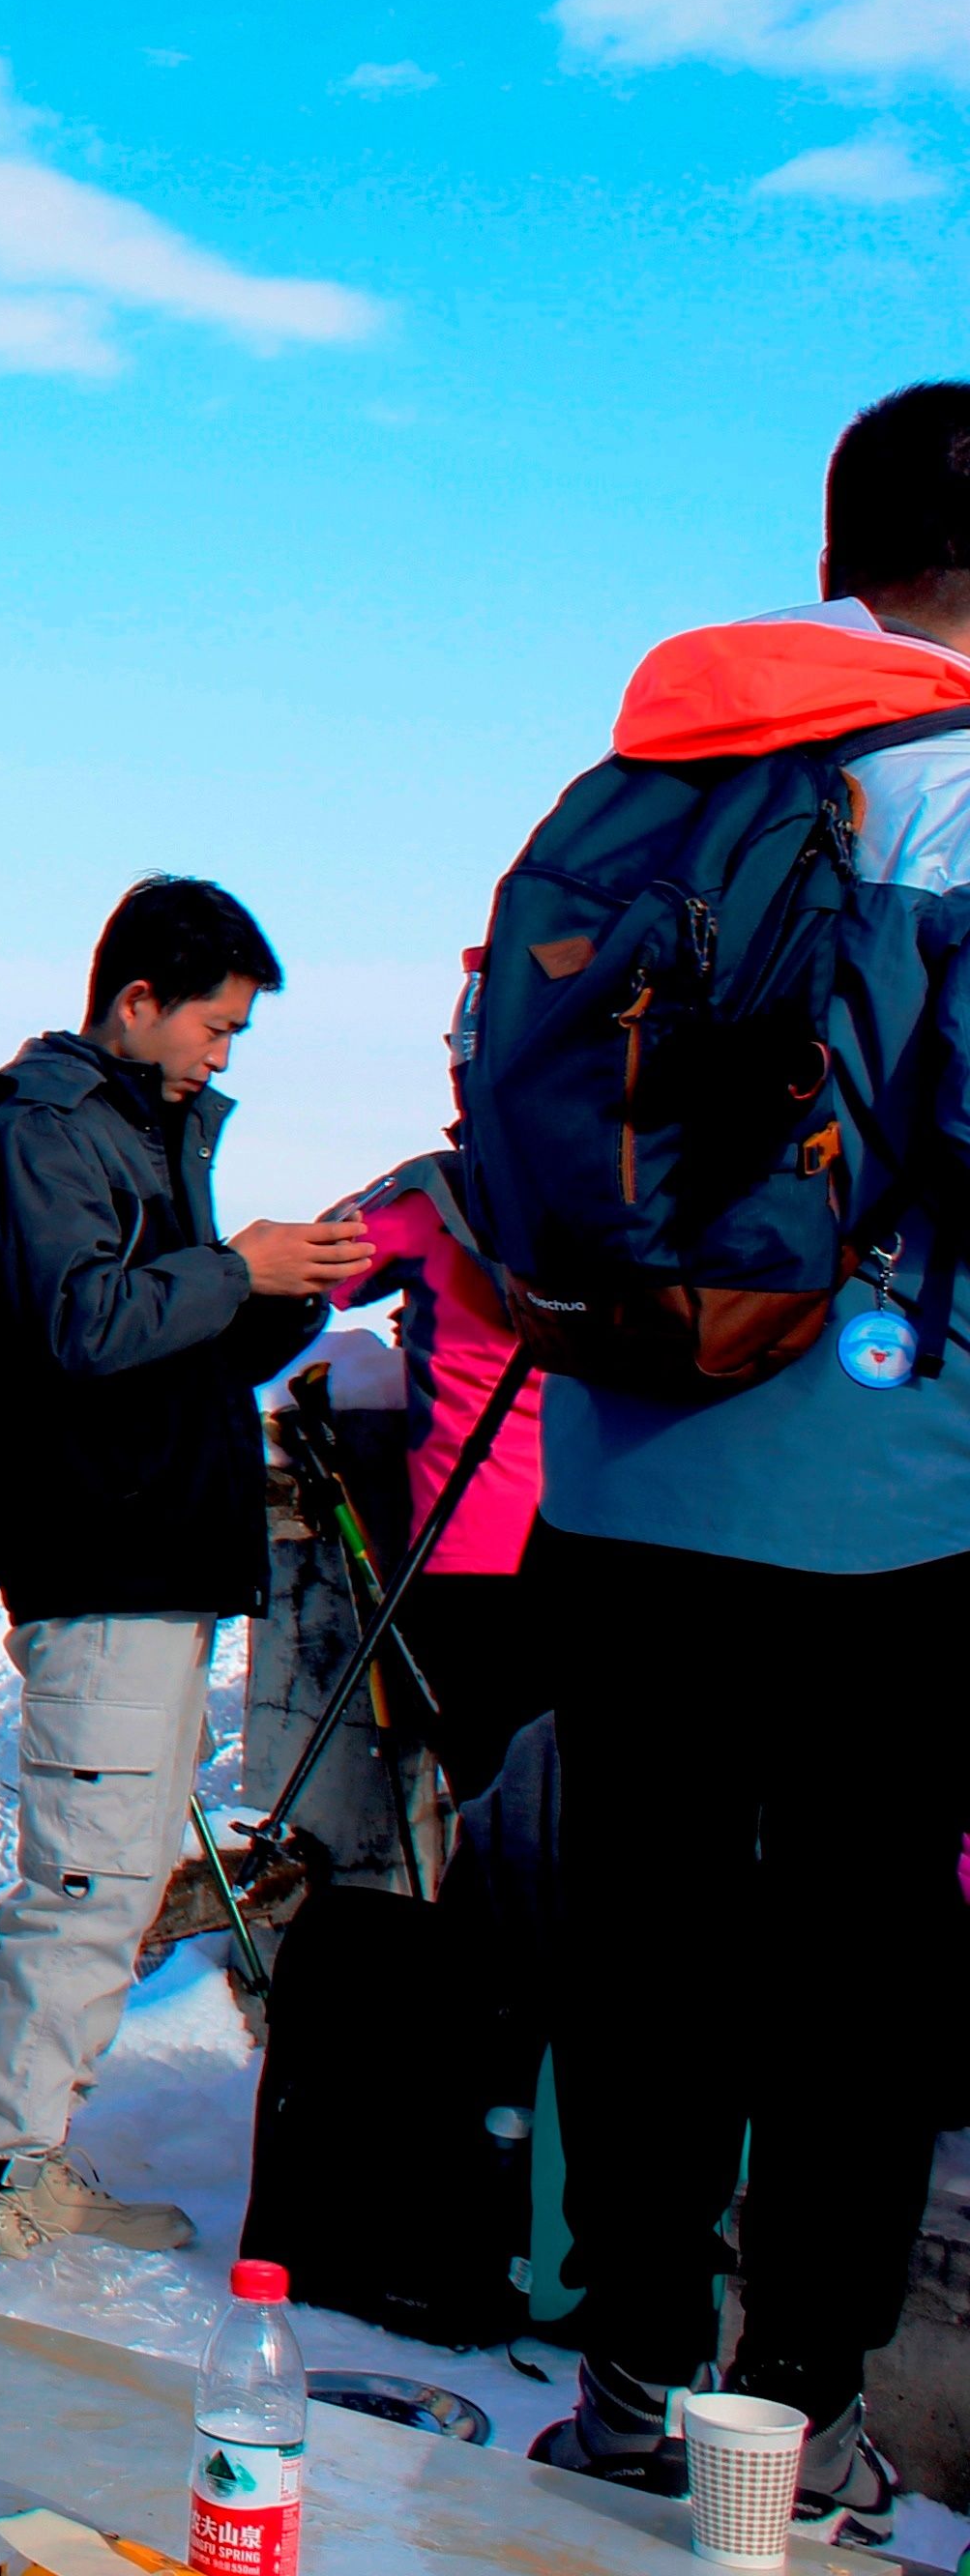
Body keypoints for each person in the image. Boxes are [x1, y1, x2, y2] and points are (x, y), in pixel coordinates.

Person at [506, 387, 970, 2531]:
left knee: (651, 1925)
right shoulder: (951, 791)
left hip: (622, 1455)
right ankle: (798, 2409)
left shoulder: (658, 767)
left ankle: (624, 2367)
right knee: (863, 1951)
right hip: (895, 1486)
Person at [0, 874, 357, 2279]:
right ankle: (1, 2185)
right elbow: (81, 1328)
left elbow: (162, 1344)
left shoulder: (130, 1129)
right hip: (104, 1550)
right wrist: (242, 1267)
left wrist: (292, 1289)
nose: (222, 1055)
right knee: (93, 1877)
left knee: (109, 1874)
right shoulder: (44, 1134)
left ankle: (23, 2158)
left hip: (154, 1547)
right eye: (215, 1027)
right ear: (136, 1003)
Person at [321, 1127, 553, 1794]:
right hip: (609, 1530)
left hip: (468, 1537)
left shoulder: (434, 1195)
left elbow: (323, 1267)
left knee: (492, 1787)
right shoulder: (628, 1185)